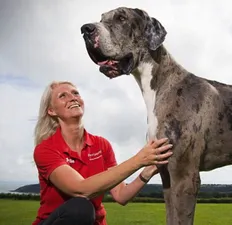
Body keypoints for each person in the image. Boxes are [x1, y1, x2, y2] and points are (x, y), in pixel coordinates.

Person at [31, 81, 173, 225]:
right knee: (80, 208)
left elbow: (121, 195)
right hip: (55, 221)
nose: (72, 98)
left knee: (83, 209)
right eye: (63, 96)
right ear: (51, 111)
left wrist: (147, 171)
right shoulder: (45, 149)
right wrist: (139, 159)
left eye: (75, 93)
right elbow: (80, 190)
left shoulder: (101, 145)